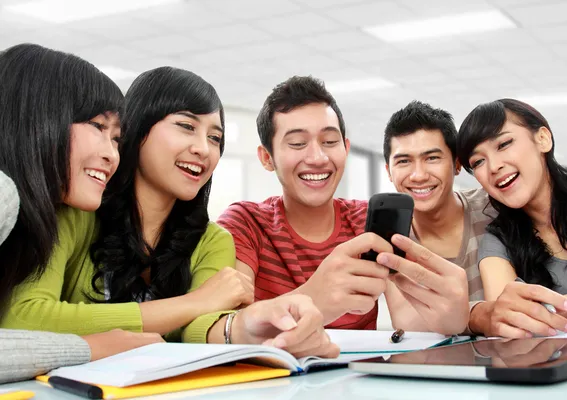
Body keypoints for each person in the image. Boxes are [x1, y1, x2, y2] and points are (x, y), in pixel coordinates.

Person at [1, 50, 338, 359]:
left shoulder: (213, 240)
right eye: (186, 126)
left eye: (215, 138)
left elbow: (199, 326)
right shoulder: (75, 211)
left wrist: (243, 326)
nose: (204, 150)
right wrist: (194, 302)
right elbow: (24, 316)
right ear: (138, 129)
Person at [218, 76, 469, 335]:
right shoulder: (246, 222)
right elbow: (226, 326)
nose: (318, 157)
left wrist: (450, 318)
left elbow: (409, 319)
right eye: (297, 144)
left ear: (346, 148)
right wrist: (315, 299)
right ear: (267, 157)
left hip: (360, 374)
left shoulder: (366, 221)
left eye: (329, 142)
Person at [0, 45, 163, 384]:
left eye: (116, 138)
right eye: (97, 126)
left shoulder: (37, 219)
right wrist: (87, 347)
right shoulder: (3, 194)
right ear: (37, 116)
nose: (112, 156)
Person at [457, 98, 567, 338]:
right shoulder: (497, 241)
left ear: (542, 139)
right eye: (478, 161)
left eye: (503, 144)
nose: (493, 167)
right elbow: (510, 320)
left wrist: (558, 309)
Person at [383, 100, 492, 301]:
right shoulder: (389, 240)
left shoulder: (492, 210)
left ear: (457, 164)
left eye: (432, 158)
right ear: (389, 172)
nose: (418, 175)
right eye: (404, 161)